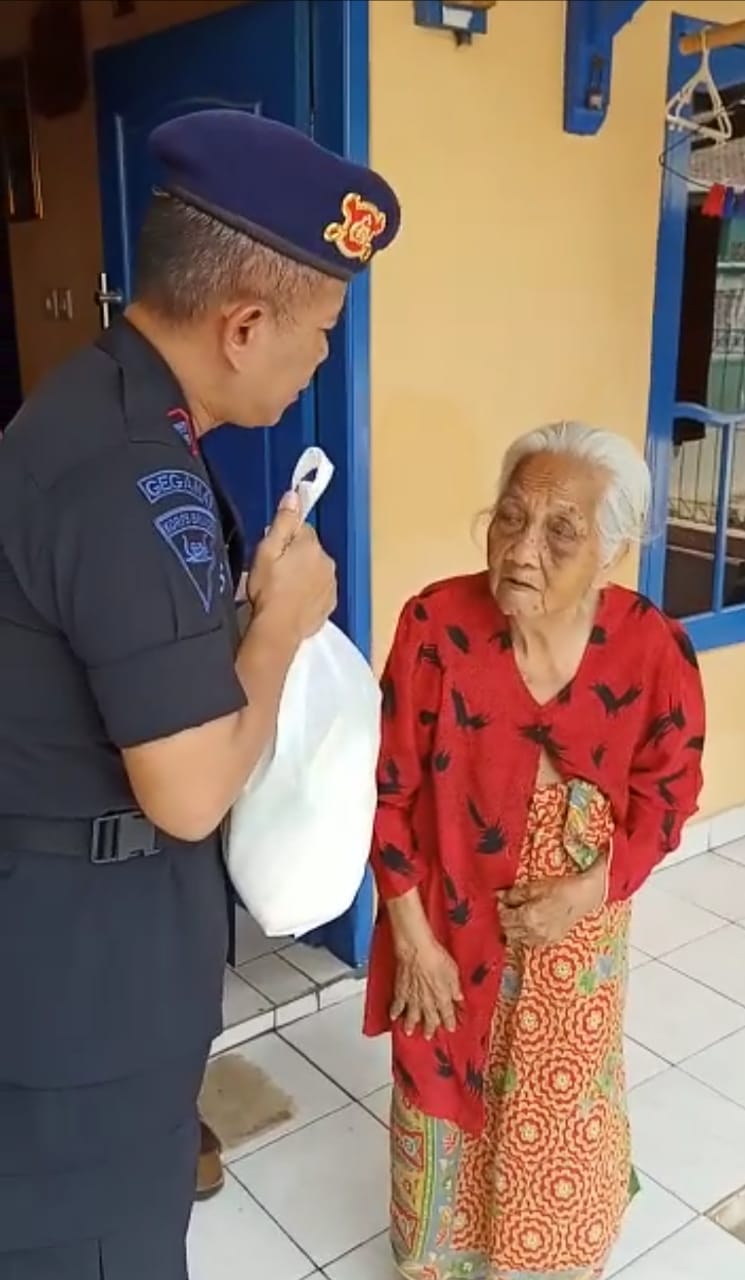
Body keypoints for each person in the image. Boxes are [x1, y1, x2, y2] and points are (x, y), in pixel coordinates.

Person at [0, 110, 400, 1279]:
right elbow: (184, 790)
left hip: (71, 953)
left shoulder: (109, 413)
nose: (323, 355)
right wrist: (275, 629)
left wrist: (232, 617)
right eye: (321, 330)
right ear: (242, 324)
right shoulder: (132, 477)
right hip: (80, 987)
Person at [364, 422, 705, 1280]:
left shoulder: (650, 647)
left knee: (555, 1109)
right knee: (440, 1090)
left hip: (574, 945)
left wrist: (592, 891)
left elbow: (670, 795)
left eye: (561, 530)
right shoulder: (435, 626)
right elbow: (385, 790)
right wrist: (414, 941)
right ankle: (440, 1261)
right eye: (509, 519)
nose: (521, 548)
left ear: (614, 549)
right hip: (443, 928)